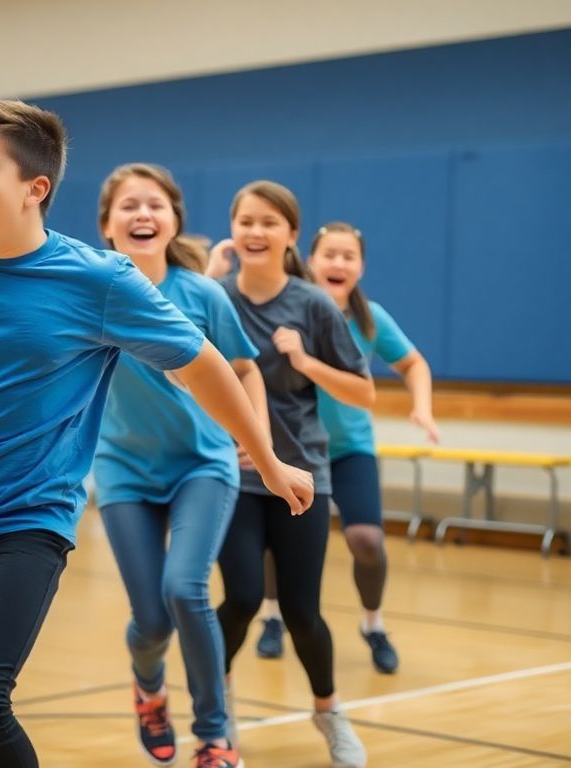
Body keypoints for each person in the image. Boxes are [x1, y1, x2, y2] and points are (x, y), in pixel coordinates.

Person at [0, 89, 313, 768]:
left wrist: (270, 456)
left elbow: (204, 367)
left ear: (35, 187)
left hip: (25, 525)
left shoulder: (97, 280)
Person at [94, 163, 265, 768]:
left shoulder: (204, 295)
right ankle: (149, 685)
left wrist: (258, 442)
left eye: (155, 205)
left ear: (173, 221)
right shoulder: (92, 295)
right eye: (129, 206)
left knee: (185, 590)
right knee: (150, 621)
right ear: (107, 226)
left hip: (203, 464)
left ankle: (216, 737)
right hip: (123, 474)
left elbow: (244, 369)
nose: (143, 214)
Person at [214, 181, 372, 768]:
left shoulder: (313, 304)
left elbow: (364, 392)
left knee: (304, 611)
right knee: (243, 598)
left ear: (290, 236)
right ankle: (218, 708)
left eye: (269, 223)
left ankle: (330, 713)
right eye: (246, 221)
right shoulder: (216, 297)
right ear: (234, 230)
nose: (256, 232)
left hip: (303, 475)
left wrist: (305, 361)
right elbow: (190, 381)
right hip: (234, 479)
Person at [250, 221, 438, 674]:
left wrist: (423, 408)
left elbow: (413, 363)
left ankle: (373, 624)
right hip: (291, 447)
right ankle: (272, 618)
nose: (338, 263)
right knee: (275, 545)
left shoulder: (369, 318)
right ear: (311, 261)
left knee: (366, 540)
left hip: (349, 448)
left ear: (361, 266)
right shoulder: (289, 309)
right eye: (329, 254)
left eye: (348, 256)